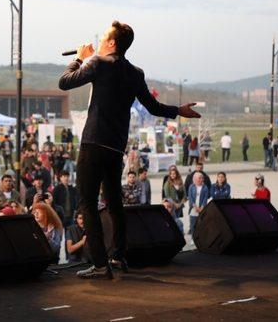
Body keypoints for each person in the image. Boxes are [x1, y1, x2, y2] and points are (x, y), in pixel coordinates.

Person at [58, 20, 200, 279]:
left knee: (87, 203)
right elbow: (154, 106)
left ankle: (100, 264)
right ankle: (117, 255)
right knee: (114, 202)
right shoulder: (135, 72)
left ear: (112, 42)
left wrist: (80, 59)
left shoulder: (98, 63)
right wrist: (178, 110)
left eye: (103, 37)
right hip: (115, 146)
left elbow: (64, 83)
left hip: (92, 143)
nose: (99, 40)